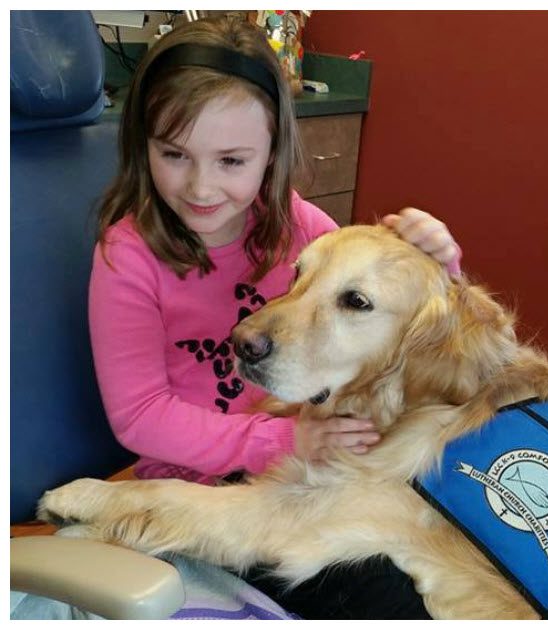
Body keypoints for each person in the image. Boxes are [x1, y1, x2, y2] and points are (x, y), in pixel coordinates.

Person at [88, 15, 454, 618]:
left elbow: (385, 309)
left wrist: (440, 262)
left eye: (231, 161)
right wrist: (284, 439)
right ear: (141, 145)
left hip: (308, 454)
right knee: (384, 592)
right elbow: (139, 418)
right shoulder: (127, 257)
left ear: (271, 154)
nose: (201, 187)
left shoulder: (299, 224)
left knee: (447, 544)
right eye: (173, 154)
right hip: (209, 482)